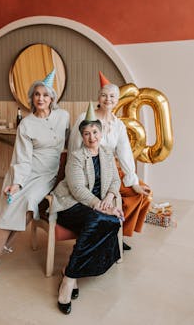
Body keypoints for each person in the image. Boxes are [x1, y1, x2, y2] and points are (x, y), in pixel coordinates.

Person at [0, 69, 70, 286]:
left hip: (47, 174)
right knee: (9, 207)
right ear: (32, 98)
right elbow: (22, 157)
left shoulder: (63, 117)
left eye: (45, 95)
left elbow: (72, 142)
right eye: (37, 94)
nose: (41, 98)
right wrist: (17, 183)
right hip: (26, 170)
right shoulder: (26, 124)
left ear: (52, 98)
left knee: (30, 203)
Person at [50, 103, 124, 314]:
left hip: (97, 207)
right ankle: (69, 281)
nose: (91, 137)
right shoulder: (76, 156)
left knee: (109, 221)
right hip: (71, 205)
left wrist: (110, 198)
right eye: (86, 134)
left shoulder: (108, 153)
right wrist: (102, 207)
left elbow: (115, 182)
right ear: (82, 136)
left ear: (100, 133)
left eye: (94, 132)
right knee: (100, 219)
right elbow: (77, 189)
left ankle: (69, 274)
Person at [68, 71, 152, 248]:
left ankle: (117, 232)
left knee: (140, 193)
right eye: (104, 95)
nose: (108, 99)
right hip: (86, 170)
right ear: (98, 97)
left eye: (113, 96)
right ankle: (108, 232)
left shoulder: (118, 124)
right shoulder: (85, 118)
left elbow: (125, 152)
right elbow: (74, 149)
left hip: (110, 170)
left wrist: (132, 179)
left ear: (118, 99)